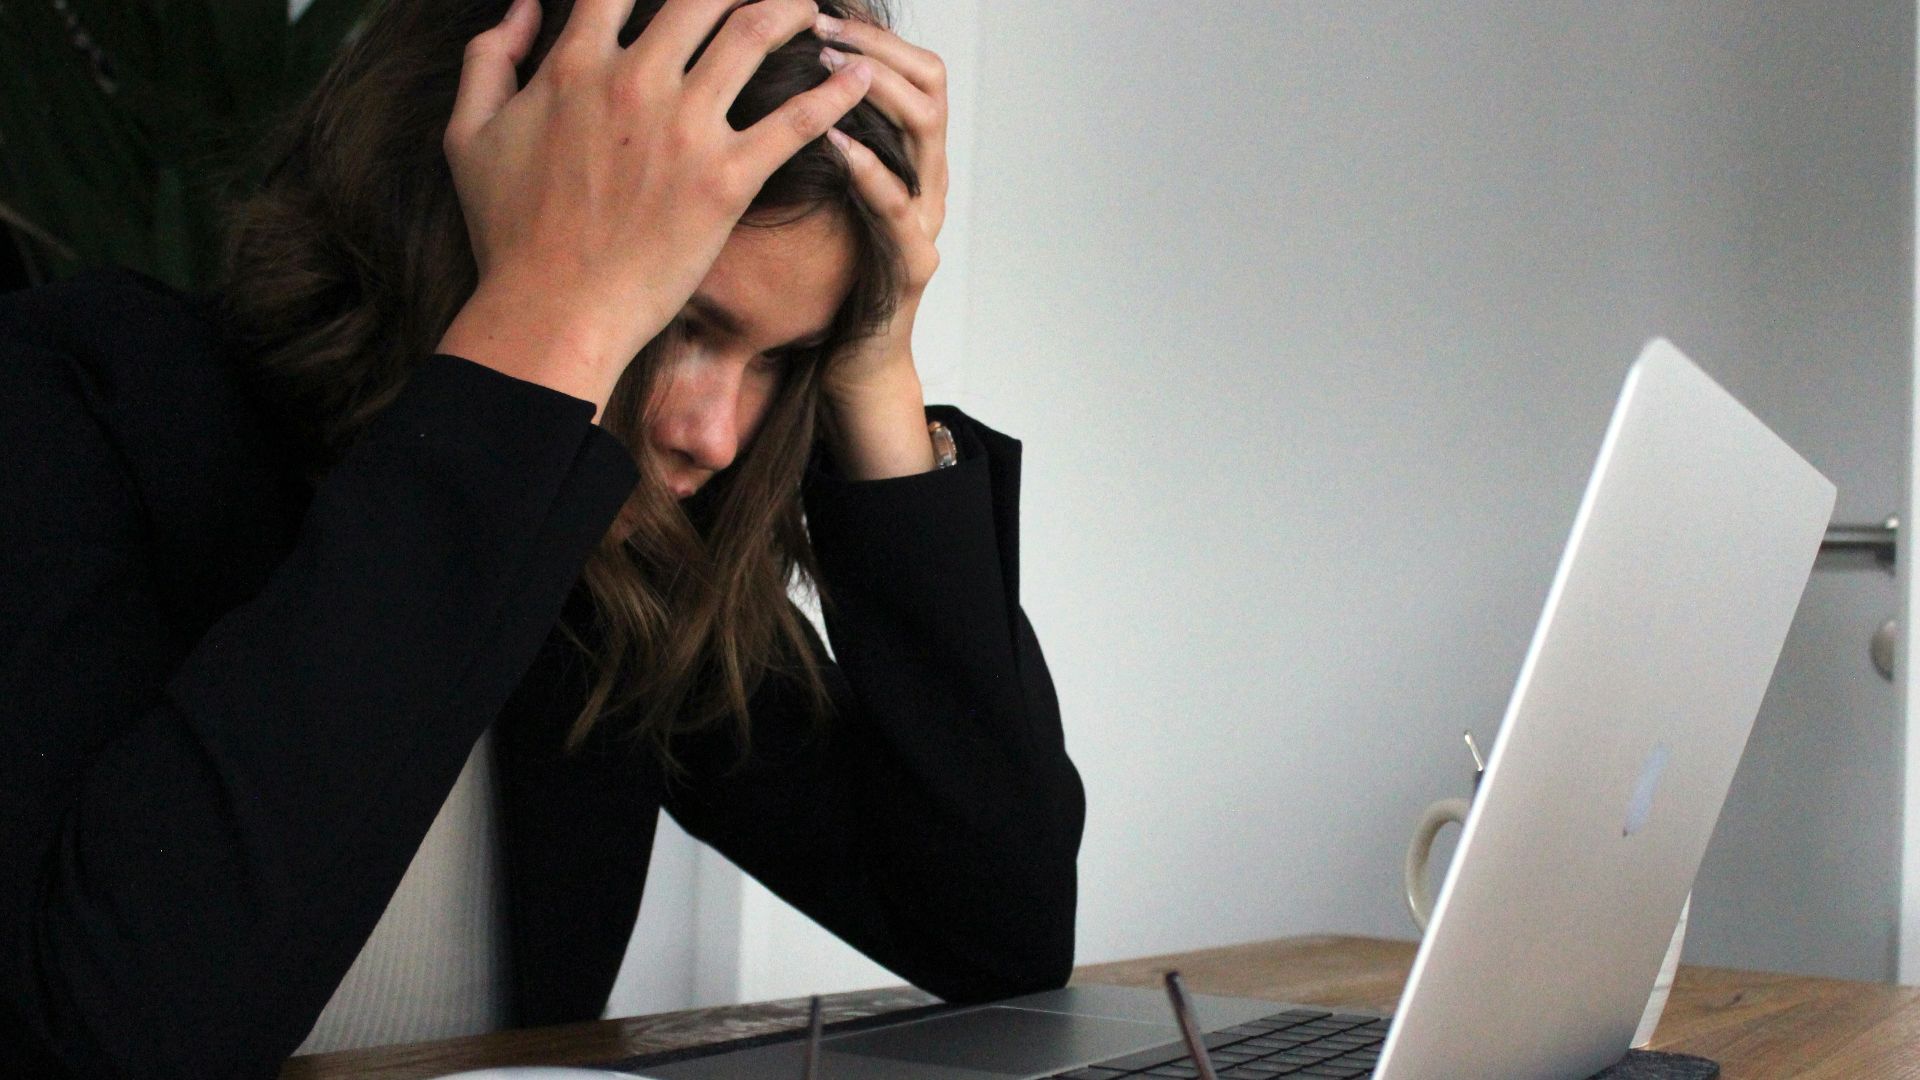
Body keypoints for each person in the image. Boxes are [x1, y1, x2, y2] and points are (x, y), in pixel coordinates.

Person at [0, 0, 1084, 1076]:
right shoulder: (79, 400)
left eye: (781, 362)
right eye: (677, 319)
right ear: (463, 203)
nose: (711, 434)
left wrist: (873, 363)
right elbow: (102, 1036)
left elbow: (998, 933)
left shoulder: (614, 559)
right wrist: (549, 319)